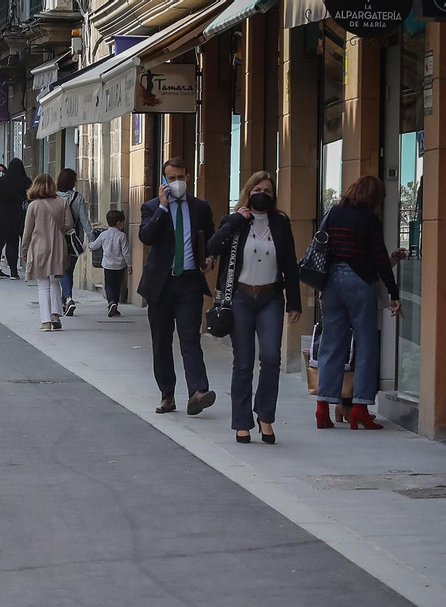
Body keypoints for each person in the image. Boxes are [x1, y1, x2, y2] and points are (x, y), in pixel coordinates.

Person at [208, 171, 303, 444]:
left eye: (268, 191)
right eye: (258, 189)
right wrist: (237, 218)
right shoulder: (235, 221)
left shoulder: (280, 223)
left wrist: (294, 302)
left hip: (271, 297)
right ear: (249, 192)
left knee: (272, 358)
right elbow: (213, 246)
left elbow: (290, 264)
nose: (263, 194)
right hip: (240, 298)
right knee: (243, 362)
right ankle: (241, 422)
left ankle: (265, 416)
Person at [314, 174, 400, 430]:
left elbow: (322, 247)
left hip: (331, 282)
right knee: (366, 344)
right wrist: (394, 292)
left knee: (332, 343)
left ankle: (322, 407)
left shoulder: (335, 213)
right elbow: (379, 258)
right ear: (374, 198)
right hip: (359, 281)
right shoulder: (369, 220)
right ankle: (360, 408)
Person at [138, 157, 217, 416]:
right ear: (164, 181)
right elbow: (146, 237)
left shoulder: (200, 207)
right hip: (160, 284)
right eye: (171, 178)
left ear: (188, 176)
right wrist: (162, 208)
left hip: (190, 283)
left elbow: (210, 237)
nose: (177, 182)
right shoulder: (151, 207)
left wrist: (209, 257)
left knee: (190, 338)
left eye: (181, 177)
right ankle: (167, 395)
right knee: (161, 341)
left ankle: (198, 392)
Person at [21, 173, 74, 331]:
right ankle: (56, 315)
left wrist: (24, 250)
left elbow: (27, 232)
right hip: (58, 246)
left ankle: (45, 321)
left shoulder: (33, 206)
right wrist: (58, 230)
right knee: (55, 281)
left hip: (39, 247)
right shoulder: (62, 203)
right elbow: (69, 224)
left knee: (43, 284)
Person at [55, 168, 93, 316]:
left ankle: (67, 298)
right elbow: (84, 220)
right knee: (68, 270)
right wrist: (92, 239)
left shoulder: (54, 197)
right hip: (74, 239)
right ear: (73, 182)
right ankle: (66, 299)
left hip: (57, 239)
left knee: (63, 270)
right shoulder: (78, 198)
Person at [0, 158, 29, 278]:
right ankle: (31, 269)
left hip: (5, 215)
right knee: (27, 241)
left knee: (11, 243)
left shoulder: (2, 181)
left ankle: (13, 272)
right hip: (22, 214)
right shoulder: (26, 181)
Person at [89, 210, 129, 318]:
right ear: (119, 223)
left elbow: (93, 246)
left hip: (108, 265)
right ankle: (115, 304)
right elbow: (126, 252)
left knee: (109, 285)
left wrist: (89, 242)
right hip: (120, 265)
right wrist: (129, 265)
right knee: (117, 285)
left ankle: (111, 302)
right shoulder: (122, 236)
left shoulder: (103, 235)